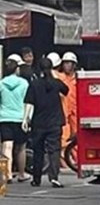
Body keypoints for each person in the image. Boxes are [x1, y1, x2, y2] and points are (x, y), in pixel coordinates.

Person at [22, 56, 69, 188]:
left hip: (39, 122)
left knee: (38, 150)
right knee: (54, 150)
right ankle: (54, 177)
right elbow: (66, 90)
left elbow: (29, 103)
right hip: (55, 121)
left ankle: (36, 178)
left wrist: (25, 119)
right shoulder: (56, 83)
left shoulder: (34, 84)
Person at [0, 55, 30, 183]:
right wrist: (27, 119)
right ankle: (22, 174)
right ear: (17, 69)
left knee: (7, 146)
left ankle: (7, 174)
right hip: (20, 118)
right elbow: (28, 102)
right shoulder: (24, 83)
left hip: (4, 118)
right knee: (21, 147)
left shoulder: (1, 83)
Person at [59, 52, 79, 154]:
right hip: (64, 111)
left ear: (74, 65)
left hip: (76, 111)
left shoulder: (78, 78)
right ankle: (64, 161)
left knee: (77, 137)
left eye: (69, 63)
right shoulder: (60, 77)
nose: (66, 65)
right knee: (64, 137)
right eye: (65, 63)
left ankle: (76, 160)